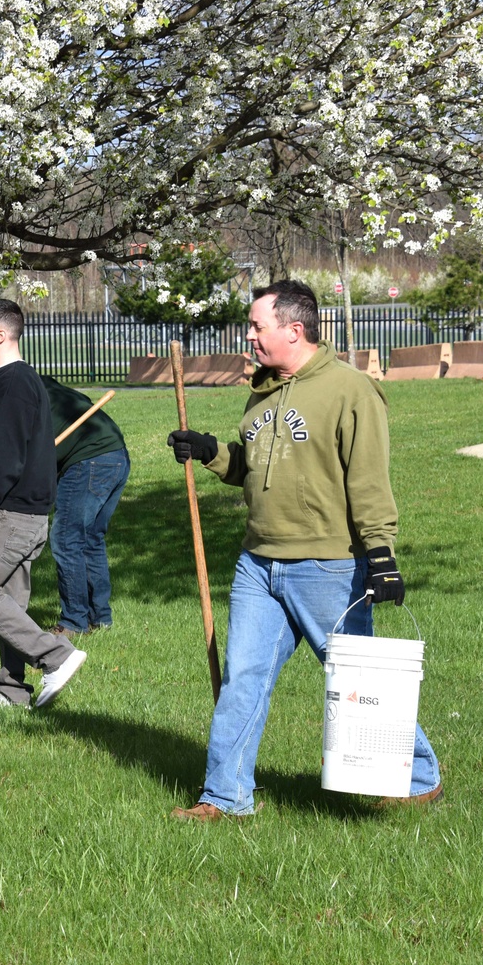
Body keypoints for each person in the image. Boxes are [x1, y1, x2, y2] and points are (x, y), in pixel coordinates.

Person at [167, 279, 441, 821]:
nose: (249, 336)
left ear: (294, 330)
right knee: (243, 677)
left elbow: (367, 479)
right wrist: (212, 452)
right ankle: (224, 796)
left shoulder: (350, 391)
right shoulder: (264, 390)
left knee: (356, 679)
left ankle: (418, 776)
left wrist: (380, 553)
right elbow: (255, 466)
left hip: (327, 565)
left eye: (257, 326)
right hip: (258, 562)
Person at [0, 299, 88, 709]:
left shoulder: (13, 384)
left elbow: (6, 456)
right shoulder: (20, 380)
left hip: (12, 513)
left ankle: (57, 656)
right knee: (10, 603)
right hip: (28, 514)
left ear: (0, 334)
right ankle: (10, 690)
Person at [0, 370, 130, 638]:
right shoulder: (35, 386)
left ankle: (74, 622)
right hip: (115, 455)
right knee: (90, 539)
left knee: (67, 539)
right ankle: (100, 618)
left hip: (88, 459)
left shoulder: (12, 402)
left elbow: (15, 458)